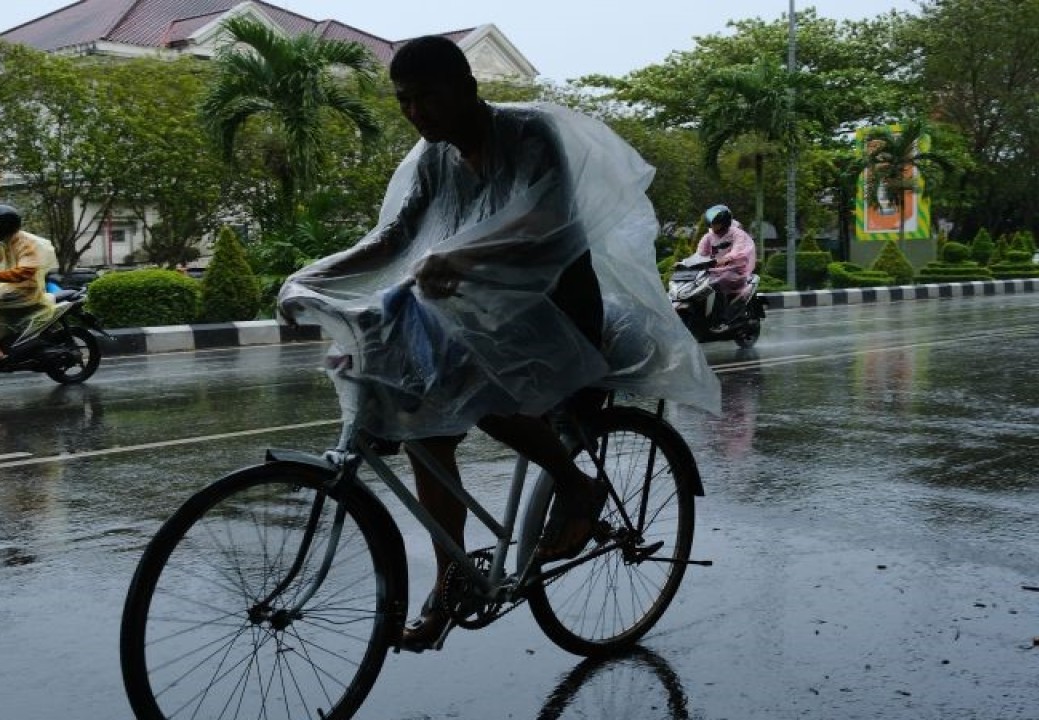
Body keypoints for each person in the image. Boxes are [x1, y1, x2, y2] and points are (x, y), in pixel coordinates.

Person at [278, 36, 719, 650]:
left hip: (559, 312)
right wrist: (312, 275)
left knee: (475, 393)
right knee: (427, 429)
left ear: (468, 87)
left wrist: (457, 254)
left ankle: (574, 483)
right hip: (483, 311)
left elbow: (548, 223)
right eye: (405, 100)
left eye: (429, 96)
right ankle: (453, 582)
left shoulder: (531, 135)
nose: (417, 112)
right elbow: (398, 237)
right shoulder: (435, 160)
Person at [0, 204, 56, 366]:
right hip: (12, 287)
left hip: (27, 290)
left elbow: (24, 272)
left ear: (4, 225)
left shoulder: (25, 244)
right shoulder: (5, 244)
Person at [695, 204, 757, 325]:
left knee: (716, 284)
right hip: (716, 270)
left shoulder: (737, 233)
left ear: (724, 223)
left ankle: (721, 318)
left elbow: (738, 249)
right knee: (700, 285)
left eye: (716, 223)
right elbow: (700, 254)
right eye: (711, 224)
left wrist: (726, 258)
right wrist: (684, 263)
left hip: (736, 270)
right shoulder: (708, 236)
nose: (713, 226)